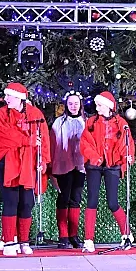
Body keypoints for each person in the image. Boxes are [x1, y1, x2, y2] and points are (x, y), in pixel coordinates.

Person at [0, 82, 52, 256]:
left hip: (28, 163)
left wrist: (43, 160)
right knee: (11, 201)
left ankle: (24, 241)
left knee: (27, 202)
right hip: (7, 162)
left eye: (9, 96)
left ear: (19, 98)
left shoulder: (35, 114)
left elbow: (44, 139)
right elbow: (4, 136)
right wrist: (27, 140)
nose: (6, 99)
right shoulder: (2, 114)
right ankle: (10, 241)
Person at [80, 91, 136, 252]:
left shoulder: (121, 123)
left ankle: (126, 233)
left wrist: (127, 157)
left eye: (99, 105)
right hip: (94, 166)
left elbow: (127, 143)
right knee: (92, 201)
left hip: (112, 165)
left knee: (113, 202)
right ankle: (88, 239)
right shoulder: (91, 122)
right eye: (96, 105)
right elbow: (85, 143)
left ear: (108, 106)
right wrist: (95, 158)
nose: (97, 108)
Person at [51, 91, 87, 249]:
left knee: (75, 199)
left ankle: (73, 235)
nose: (73, 106)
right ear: (66, 105)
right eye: (70, 104)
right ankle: (63, 236)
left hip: (80, 166)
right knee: (63, 198)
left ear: (80, 105)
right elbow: (53, 144)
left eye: (76, 103)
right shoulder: (59, 122)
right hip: (63, 166)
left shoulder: (85, 122)